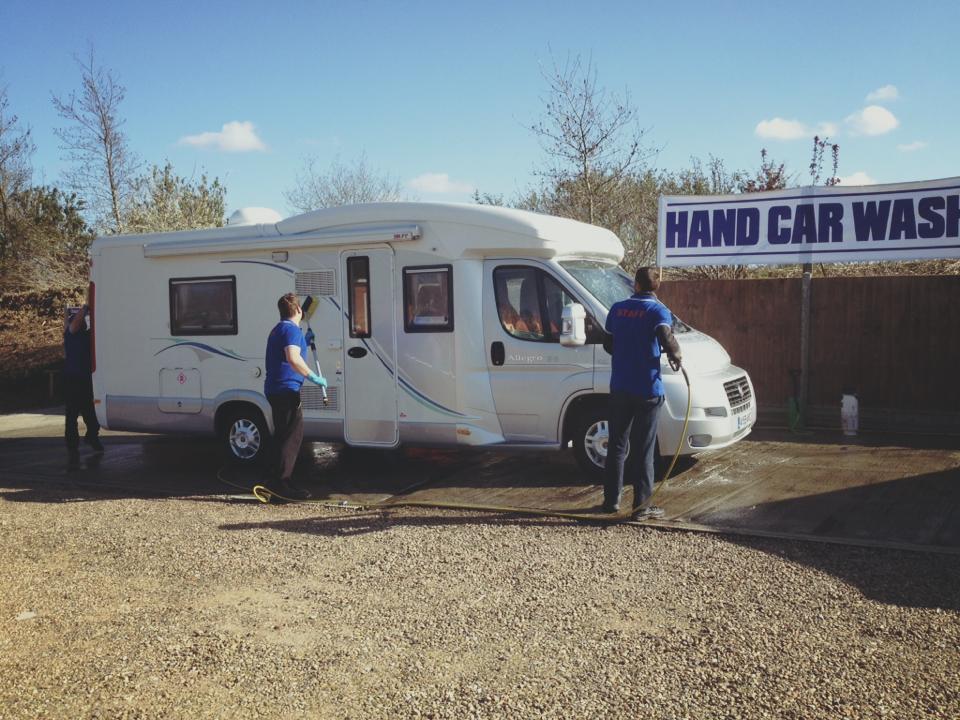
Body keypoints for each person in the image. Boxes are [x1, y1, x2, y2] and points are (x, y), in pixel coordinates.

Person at [602, 267, 682, 518]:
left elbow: (608, 344)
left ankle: (611, 502)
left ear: (635, 284)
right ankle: (641, 507)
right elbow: (665, 336)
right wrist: (676, 353)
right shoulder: (658, 310)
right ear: (655, 287)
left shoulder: (616, 309)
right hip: (647, 390)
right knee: (643, 448)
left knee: (616, 445)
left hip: (620, 388)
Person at [264, 293, 327, 501]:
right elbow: (292, 358)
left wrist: (304, 342)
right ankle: (281, 486)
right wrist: (313, 377)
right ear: (299, 310)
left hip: (275, 389)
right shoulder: (291, 330)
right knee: (292, 437)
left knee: (283, 435)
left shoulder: (279, 329)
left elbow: (290, 352)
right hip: (286, 390)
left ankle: (277, 481)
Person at [63, 304, 103, 469]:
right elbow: (72, 323)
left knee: (91, 415)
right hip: (73, 380)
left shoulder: (87, 335)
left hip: (86, 380)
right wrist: (86, 307)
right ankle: (73, 447)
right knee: (72, 417)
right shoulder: (71, 334)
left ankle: (92, 437)